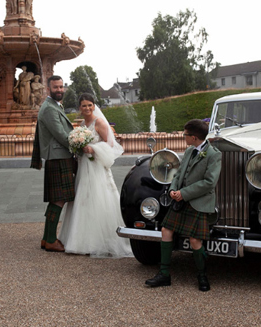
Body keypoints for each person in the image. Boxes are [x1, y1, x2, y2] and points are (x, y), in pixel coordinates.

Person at [145, 119, 221, 291]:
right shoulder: (188, 151)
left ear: (194, 137)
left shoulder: (213, 154)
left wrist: (184, 193)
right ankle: (164, 274)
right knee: (166, 230)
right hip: (180, 200)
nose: (183, 136)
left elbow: (210, 182)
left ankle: (202, 276)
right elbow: (179, 174)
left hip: (198, 201)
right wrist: (173, 189)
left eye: (185, 134)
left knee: (195, 240)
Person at [58, 93, 133, 258]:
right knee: (83, 199)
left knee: (99, 197)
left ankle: (101, 240)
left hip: (96, 166)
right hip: (84, 166)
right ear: (79, 108)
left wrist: (93, 149)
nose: (87, 108)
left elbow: (110, 145)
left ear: (94, 106)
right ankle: (80, 239)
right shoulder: (82, 125)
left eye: (90, 105)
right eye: (84, 106)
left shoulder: (99, 122)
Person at [31, 75, 75, 252]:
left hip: (58, 157)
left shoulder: (53, 106)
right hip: (58, 157)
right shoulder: (49, 108)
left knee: (57, 199)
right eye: (56, 87)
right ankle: (50, 240)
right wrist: (80, 145)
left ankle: (46, 238)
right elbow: (61, 135)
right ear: (48, 89)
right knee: (59, 199)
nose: (60, 90)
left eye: (61, 87)